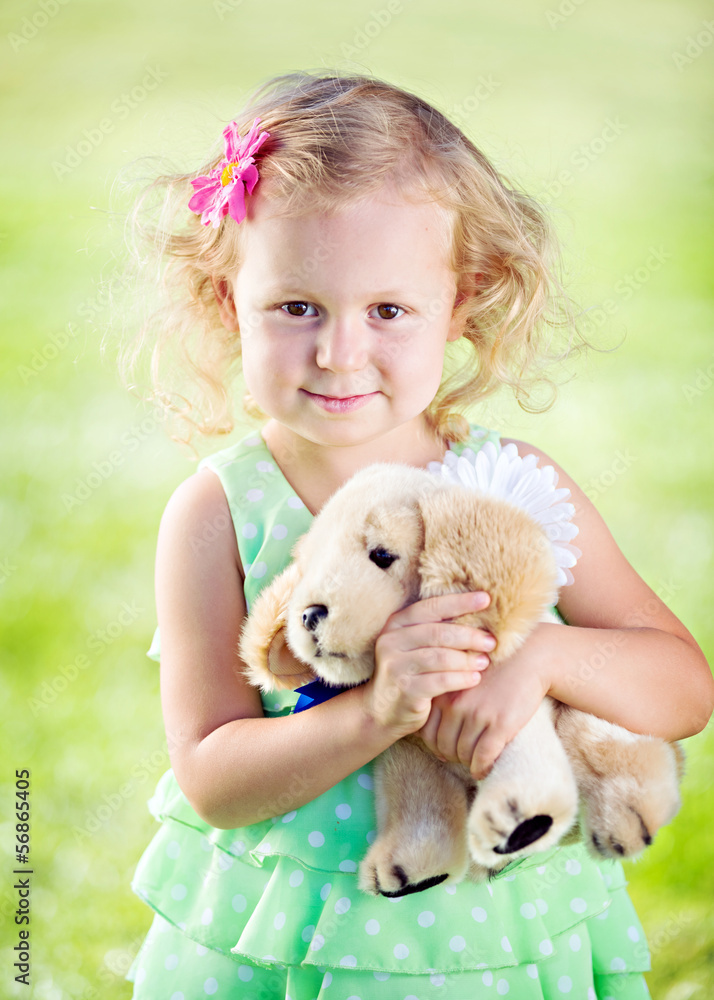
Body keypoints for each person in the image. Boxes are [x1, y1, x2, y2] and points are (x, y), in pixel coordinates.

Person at [121, 71, 712, 999]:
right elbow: (213, 777)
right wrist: (380, 711)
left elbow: (681, 687)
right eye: (295, 306)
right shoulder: (219, 514)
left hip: (499, 941)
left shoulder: (510, 488)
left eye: (388, 311)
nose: (339, 352)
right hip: (294, 946)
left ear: (462, 302)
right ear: (224, 295)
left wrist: (546, 659)